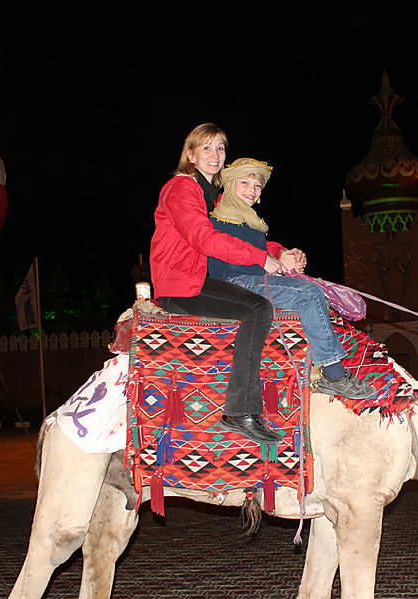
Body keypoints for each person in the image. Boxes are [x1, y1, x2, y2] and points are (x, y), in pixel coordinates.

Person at [149, 124, 280, 444]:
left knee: (259, 302)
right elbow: (203, 237)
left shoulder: (211, 195)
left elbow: (236, 234)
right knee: (258, 309)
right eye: (206, 148)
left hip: (197, 279)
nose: (215, 155)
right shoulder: (182, 188)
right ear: (190, 154)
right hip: (181, 285)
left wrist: (278, 253)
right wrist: (262, 259)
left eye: (220, 148)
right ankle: (241, 410)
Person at [206, 158, 375, 399]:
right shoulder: (218, 218)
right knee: (309, 293)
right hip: (235, 284)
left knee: (309, 289)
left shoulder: (250, 221)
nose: (251, 190)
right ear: (230, 184)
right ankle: (334, 373)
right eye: (244, 182)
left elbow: (263, 249)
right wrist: (270, 261)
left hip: (251, 280)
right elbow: (233, 253)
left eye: (257, 186)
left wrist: (285, 256)